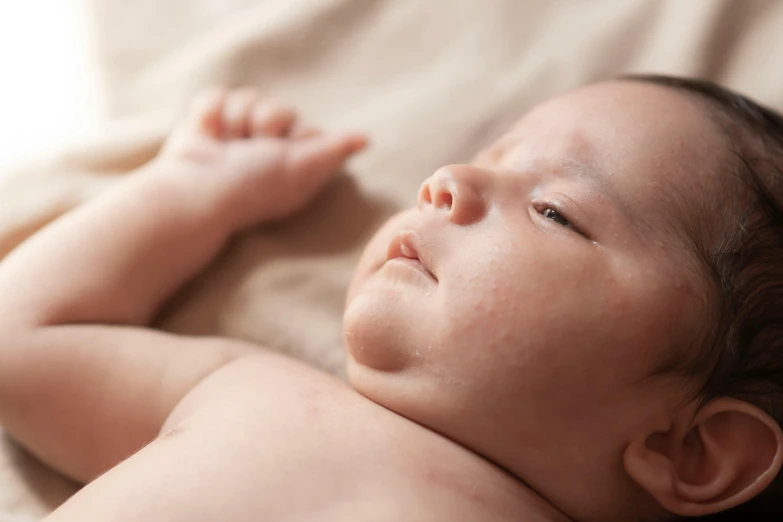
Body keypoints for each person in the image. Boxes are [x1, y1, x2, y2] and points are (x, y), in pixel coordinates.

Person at [0, 76, 781, 521]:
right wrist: (189, 194)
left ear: (690, 450)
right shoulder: (251, 392)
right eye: (484, 159)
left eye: (555, 211)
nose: (446, 183)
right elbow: (20, 341)